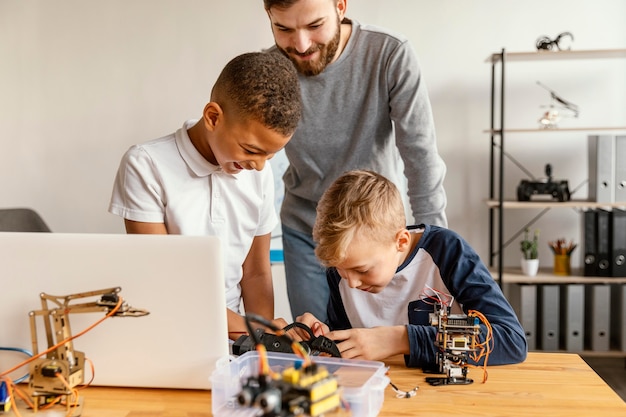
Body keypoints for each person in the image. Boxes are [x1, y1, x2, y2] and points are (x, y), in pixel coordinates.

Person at [262, 0, 448, 323]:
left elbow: (421, 160)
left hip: (376, 235)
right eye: (284, 29)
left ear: (340, 6)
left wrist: (439, 253)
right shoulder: (269, 70)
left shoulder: (390, 55)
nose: (301, 44)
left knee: (388, 344)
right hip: (306, 233)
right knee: (318, 347)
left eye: (314, 26)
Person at [108, 52, 302, 337]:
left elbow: (256, 273)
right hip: (172, 331)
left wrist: (261, 344)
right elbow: (164, 280)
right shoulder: (146, 165)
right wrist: (258, 333)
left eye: (270, 155)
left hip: (238, 340)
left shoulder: (258, 174)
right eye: (250, 150)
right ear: (213, 117)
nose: (259, 165)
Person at [298, 170, 527, 367]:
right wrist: (321, 337)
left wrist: (401, 340)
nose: (352, 283)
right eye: (341, 270)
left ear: (401, 242)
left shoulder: (448, 251)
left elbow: (510, 340)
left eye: (363, 270)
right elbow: (350, 351)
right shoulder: (345, 268)